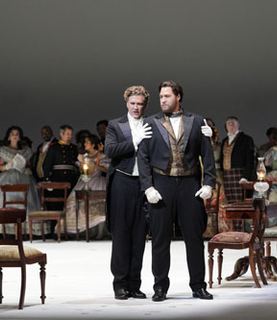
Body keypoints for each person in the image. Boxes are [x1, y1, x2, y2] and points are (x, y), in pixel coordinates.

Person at [138, 80, 216, 301]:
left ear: (178, 97)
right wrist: (148, 187)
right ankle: (160, 287)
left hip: (189, 184)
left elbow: (207, 155)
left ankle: (198, 285)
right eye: (161, 97)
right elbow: (142, 157)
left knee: (194, 237)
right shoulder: (150, 122)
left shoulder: (196, 120)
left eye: (167, 96)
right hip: (161, 183)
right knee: (160, 238)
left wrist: (209, 183)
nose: (163, 100)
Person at [104, 85, 152, 300]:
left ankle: (135, 283)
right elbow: (110, 151)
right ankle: (120, 284)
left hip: (143, 184)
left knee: (140, 235)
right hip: (122, 182)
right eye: (132, 103)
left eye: (140, 104)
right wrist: (134, 141)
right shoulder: (115, 125)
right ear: (126, 103)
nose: (136, 107)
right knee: (122, 234)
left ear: (145, 105)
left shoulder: (151, 124)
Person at [0, 126, 46, 236]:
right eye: (12, 133)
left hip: (24, 177)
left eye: (17, 134)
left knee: (28, 200)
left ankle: (26, 229)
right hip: (8, 177)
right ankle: (5, 229)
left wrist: (27, 169)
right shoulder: (3, 150)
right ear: (9, 137)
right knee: (6, 198)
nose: (15, 135)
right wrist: (7, 166)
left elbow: (28, 165)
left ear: (19, 137)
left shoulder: (25, 151)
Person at [64, 134, 110, 237]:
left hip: (97, 181)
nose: (85, 144)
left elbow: (107, 169)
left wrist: (96, 165)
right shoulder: (85, 156)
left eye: (87, 142)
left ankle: (100, 231)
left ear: (93, 145)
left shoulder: (101, 156)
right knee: (75, 201)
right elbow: (83, 171)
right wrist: (81, 162)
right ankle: (84, 231)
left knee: (98, 206)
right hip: (85, 181)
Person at [220, 116, 255, 204]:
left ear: (238, 126)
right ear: (226, 127)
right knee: (230, 200)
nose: (231, 126)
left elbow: (250, 159)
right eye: (228, 124)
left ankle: (240, 218)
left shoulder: (246, 139)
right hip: (227, 174)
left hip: (240, 173)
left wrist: (245, 176)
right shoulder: (224, 140)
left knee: (240, 200)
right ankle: (232, 218)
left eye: (233, 124)